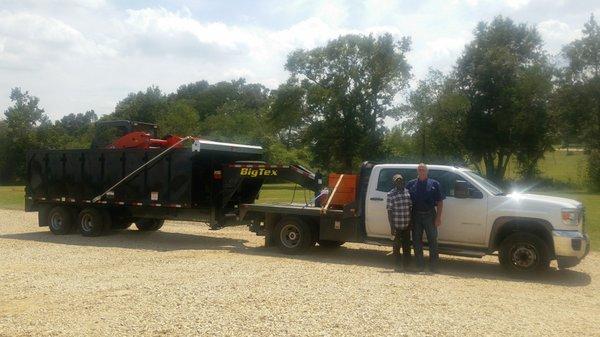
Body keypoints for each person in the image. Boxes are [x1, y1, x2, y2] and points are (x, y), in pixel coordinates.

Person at [406, 163, 445, 273]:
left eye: (423, 170)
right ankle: (419, 265)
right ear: (417, 171)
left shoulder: (434, 184)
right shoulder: (411, 184)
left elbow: (440, 202)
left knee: (433, 240)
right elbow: (406, 202)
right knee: (416, 241)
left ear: (427, 171)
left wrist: (438, 218)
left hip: (430, 215)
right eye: (420, 169)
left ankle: (434, 266)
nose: (421, 171)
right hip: (416, 215)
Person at [386, 174, 412, 272]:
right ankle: (397, 265)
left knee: (407, 246)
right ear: (394, 183)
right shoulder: (390, 194)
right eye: (397, 181)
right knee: (396, 247)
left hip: (406, 225)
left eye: (401, 180)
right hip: (396, 225)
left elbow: (410, 208)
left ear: (403, 181)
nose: (399, 182)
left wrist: (410, 223)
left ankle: (407, 265)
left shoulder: (407, 192)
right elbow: (389, 211)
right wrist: (392, 227)